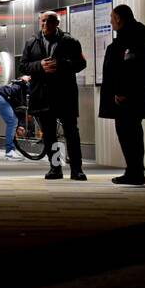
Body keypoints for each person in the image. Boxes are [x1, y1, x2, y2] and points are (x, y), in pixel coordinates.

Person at [20, 11, 88, 180]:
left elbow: (81, 64)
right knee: (49, 134)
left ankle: (76, 169)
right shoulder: (31, 43)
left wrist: (61, 65)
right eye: (43, 21)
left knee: (71, 131)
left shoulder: (70, 42)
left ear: (57, 23)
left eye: (49, 21)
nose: (45, 24)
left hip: (65, 94)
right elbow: (23, 66)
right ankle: (55, 168)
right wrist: (40, 65)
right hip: (42, 95)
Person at [99, 4, 145, 185]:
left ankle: (135, 172)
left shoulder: (132, 38)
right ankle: (134, 170)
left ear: (119, 18)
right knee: (132, 133)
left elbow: (130, 67)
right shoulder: (134, 36)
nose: (110, 21)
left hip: (127, 97)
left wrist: (122, 91)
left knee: (128, 133)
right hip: (131, 95)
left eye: (112, 17)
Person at [0, 75, 31, 160]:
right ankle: (9, 152)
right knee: (12, 121)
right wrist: (23, 81)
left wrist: (20, 125)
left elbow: (18, 109)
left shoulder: (17, 87)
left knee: (12, 121)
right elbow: (21, 107)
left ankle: (10, 151)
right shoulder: (20, 85)